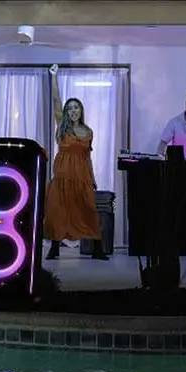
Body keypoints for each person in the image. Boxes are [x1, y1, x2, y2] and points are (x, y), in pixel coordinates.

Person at [43, 64, 108, 261]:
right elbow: (56, 100)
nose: (73, 111)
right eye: (69, 108)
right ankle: (54, 248)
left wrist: (93, 179)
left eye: (76, 107)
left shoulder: (88, 132)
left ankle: (97, 249)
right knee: (58, 212)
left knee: (88, 210)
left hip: (82, 177)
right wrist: (54, 77)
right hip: (63, 176)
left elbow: (87, 157)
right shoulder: (63, 128)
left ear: (81, 110)